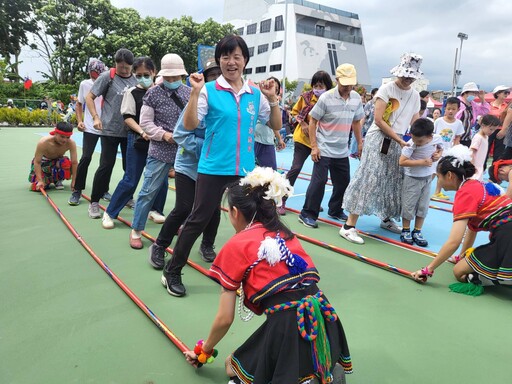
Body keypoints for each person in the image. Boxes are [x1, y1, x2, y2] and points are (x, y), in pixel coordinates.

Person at [183, 167, 352, 384]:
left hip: (287, 325)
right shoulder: (286, 234)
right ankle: (321, 370)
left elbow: (225, 318)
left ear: (234, 212)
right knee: (241, 364)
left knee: (231, 368)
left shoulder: (237, 244)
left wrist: (203, 351)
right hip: (324, 318)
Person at [161, 34, 281, 297]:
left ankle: (250, 271)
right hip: (213, 167)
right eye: (225, 57)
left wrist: (272, 99)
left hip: (245, 171)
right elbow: (191, 125)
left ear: (245, 60)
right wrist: (194, 92)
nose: (231, 62)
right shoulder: (208, 90)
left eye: (236, 56)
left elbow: (275, 125)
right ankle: (172, 270)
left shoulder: (255, 94)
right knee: (198, 219)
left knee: (253, 222)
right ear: (219, 60)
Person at [340, 53, 422, 244]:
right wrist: (399, 140)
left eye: (411, 76)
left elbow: (415, 120)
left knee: (394, 180)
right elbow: (378, 120)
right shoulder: (386, 89)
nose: (407, 79)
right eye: (405, 75)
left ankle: (386, 217)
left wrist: (419, 141)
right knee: (369, 177)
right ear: (398, 72)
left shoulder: (415, 95)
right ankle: (349, 225)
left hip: (400, 140)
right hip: (379, 139)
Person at [148, 60, 222, 269]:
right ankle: (160, 245)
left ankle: (207, 245)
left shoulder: (227, 103)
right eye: (212, 75)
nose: (216, 79)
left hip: (214, 167)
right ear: (205, 79)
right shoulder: (197, 100)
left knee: (213, 209)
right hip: (189, 165)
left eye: (220, 75)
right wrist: (205, 149)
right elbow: (180, 133)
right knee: (183, 207)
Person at [411, 145, 512, 292]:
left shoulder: (464, 194)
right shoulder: (476, 184)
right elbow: (472, 229)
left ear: (450, 175)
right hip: (504, 232)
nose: (438, 181)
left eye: (439, 177)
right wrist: (461, 257)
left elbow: (454, 241)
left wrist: (428, 269)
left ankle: (498, 280)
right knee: (463, 265)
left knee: (459, 272)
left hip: (507, 235)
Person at [128, 53, 191, 249]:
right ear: (161, 74)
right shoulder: (152, 94)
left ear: (182, 75)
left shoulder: (190, 93)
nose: (172, 81)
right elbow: (145, 123)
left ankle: (183, 226)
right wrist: (164, 135)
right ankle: (136, 230)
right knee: (148, 190)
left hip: (186, 151)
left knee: (187, 194)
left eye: (176, 77)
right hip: (160, 149)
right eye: (168, 77)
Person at [100, 57, 168, 230]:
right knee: (131, 179)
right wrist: (142, 131)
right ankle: (110, 212)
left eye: (147, 74)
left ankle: (155, 210)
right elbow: (127, 118)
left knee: (160, 178)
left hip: (158, 141)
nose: (143, 78)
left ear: (154, 73)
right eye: (139, 75)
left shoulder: (162, 91)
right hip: (138, 140)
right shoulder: (131, 92)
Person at [298, 63, 364, 229]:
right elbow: (313, 121)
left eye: (351, 83)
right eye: (345, 83)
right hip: (324, 147)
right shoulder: (326, 98)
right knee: (318, 182)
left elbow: (356, 121)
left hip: (342, 149)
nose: (348, 87)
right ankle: (307, 213)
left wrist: (360, 143)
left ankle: (335, 209)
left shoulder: (356, 98)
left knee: (343, 182)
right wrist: (314, 146)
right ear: (337, 80)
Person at [85, 48, 138, 219]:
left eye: (127, 68)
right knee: (106, 165)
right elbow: (89, 97)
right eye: (120, 67)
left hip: (130, 131)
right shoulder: (108, 77)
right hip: (109, 130)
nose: (124, 70)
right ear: (116, 64)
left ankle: (128, 197)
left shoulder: (136, 78)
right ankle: (94, 202)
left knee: (129, 168)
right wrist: (95, 117)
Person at [278, 70, 333, 215]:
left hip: (321, 141)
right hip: (303, 139)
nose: (317, 88)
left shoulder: (331, 99)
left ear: (327, 86)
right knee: (295, 168)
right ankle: (281, 200)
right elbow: (295, 113)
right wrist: (302, 124)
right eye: (315, 85)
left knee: (320, 176)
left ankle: (313, 203)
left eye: (321, 85)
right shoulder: (306, 97)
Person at [68, 59, 109, 206]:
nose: (94, 77)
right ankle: (77, 190)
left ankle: (104, 190)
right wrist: (80, 121)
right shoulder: (85, 84)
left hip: (107, 129)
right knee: (85, 158)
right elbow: (79, 104)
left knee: (106, 162)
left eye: (97, 74)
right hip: (90, 128)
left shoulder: (108, 82)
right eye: (92, 74)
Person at [398, 118, 443, 246]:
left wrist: (438, 155)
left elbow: (440, 148)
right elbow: (401, 161)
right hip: (412, 178)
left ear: (430, 136)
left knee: (423, 205)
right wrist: (421, 162)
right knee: (408, 204)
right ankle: (406, 229)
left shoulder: (437, 138)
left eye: (420, 141)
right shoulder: (411, 144)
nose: (416, 143)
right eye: (414, 139)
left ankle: (417, 230)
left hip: (428, 178)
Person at [28, 122, 78, 191]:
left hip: (57, 163)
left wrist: (74, 181)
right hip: (43, 164)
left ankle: (58, 180)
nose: (65, 140)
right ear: (56, 133)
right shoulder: (43, 142)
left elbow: (74, 162)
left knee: (65, 162)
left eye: (68, 137)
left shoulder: (71, 143)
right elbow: (37, 162)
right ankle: (46, 181)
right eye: (62, 136)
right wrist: (39, 180)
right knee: (37, 187)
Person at [432, 97, 464, 199]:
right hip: (435, 151)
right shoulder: (438, 121)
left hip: (447, 152)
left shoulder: (458, 123)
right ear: (445, 108)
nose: (450, 111)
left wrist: (454, 150)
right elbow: (432, 135)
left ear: (458, 110)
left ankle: (437, 192)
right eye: (448, 108)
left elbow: (457, 138)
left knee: (442, 172)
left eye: (453, 109)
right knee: (432, 172)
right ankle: (423, 189)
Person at [254, 76, 286, 170]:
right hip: (254, 141)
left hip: (267, 142)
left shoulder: (275, 106)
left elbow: (274, 125)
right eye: (269, 86)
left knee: (270, 173)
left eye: (276, 89)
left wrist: (279, 139)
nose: (272, 90)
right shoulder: (258, 100)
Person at [456, 82, 490, 147]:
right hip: (456, 136)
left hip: (467, 137)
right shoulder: (457, 102)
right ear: (465, 92)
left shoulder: (473, 105)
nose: (474, 95)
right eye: (472, 93)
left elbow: (485, 111)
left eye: (475, 93)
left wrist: (482, 99)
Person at [470, 114, 500, 181]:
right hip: (474, 166)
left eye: (494, 130)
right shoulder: (478, 137)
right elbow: (471, 152)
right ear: (483, 125)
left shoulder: (486, 137)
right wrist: (471, 166)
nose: (492, 132)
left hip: (480, 165)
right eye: (491, 129)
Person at [485, 85, 510, 164]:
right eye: (505, 92)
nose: (507, 94)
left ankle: (494, 173)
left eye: (508, 92)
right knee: (485, 151)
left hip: (501, 130)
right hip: (488, 130)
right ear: (498, 93)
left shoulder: (507, 106)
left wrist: (504, 130)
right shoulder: (488, 106)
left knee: (499, 153)